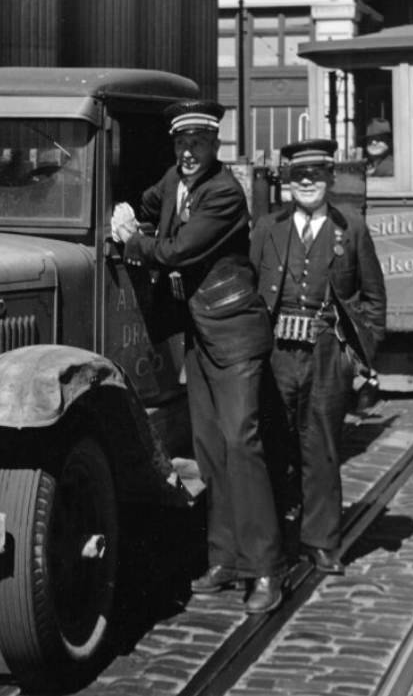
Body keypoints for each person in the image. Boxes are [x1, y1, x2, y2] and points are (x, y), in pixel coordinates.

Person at [113, 99, 286, 613]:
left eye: (198, 144)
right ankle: (224, 561)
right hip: (198, 335)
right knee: (211, 449)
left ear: (215, 145)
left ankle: (265, 571)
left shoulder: (224, 193)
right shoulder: (175, 181)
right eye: (182, 144)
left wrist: (132, 241)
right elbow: (147, 205)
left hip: (234, 335)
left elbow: (177, 251)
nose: (189, 153)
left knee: (242, 444)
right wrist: (125, 213)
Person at [250, 139, 386, 575]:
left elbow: (374, 298)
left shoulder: (353, 229)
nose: (306, 182)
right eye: (297, 176)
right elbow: (250, 291)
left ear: (330, 178)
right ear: (288, 182)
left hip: (327, 353)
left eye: (315, 175)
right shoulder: (267, 229)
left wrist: (359, 357)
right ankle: (274, 543)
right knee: (273, 444)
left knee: (322, 448)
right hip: (275, 355)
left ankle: (322, 541)